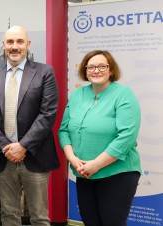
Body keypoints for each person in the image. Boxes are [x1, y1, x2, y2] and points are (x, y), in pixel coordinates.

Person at [0, 26, 59, 226]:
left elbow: (48, 113)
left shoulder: (45, 72)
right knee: (8, 215)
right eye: (10, 42)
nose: (14, 47)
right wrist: (6, 147)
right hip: (4, 156)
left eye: (19, 42)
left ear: (28, 44)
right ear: (3, 46)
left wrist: (23, 146)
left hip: (35, 154)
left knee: (40, 217)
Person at [58, 50, 141, 226]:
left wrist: (95, 165)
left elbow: (126, 137)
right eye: (91, 67)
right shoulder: (77, 95)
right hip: (84, 174)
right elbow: (63, 131)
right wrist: (72, 158)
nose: (97, 70)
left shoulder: (123, 94)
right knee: (91, 222)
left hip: (117, 174)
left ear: (111, 70)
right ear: (85, 71)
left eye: (102, 66)